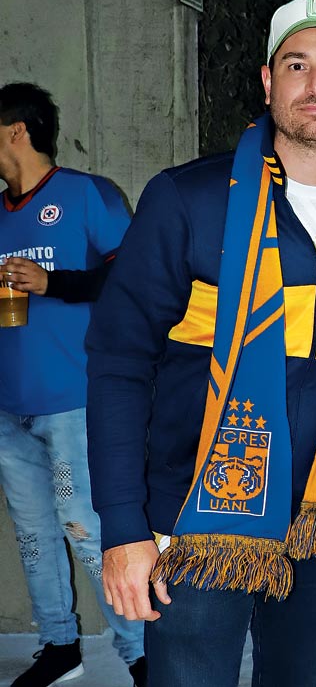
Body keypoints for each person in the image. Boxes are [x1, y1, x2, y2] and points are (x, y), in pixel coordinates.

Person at [84, 0, 316, 687]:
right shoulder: (188, 200)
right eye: (296, 65)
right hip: (194, 522)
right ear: (267, 80)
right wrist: (123, 527)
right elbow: (117, 363)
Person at [0, 82, 145, 687]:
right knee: (33, 535)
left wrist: (52, 282)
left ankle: (141, 652)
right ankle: (60, 645)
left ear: (15, 132)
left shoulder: (88, 194)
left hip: (76, 401)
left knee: (86, 530)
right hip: (9, 406)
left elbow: (135, 278)